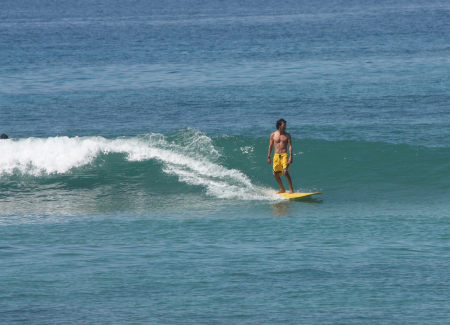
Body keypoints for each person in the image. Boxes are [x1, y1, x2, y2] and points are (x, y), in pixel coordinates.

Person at [267, 119, 294, 194]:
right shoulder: (273, 134)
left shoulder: (287, 135)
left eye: (285, 125)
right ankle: (282, 189)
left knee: (285, 172)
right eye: (284, 125)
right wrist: (268, 157)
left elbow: (290, 146)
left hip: (284, 155)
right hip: (276, 156)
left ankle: (291, 189)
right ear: (279, 126)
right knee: (276, 174)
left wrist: (291, 156)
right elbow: (270, 146)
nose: (285, 126)